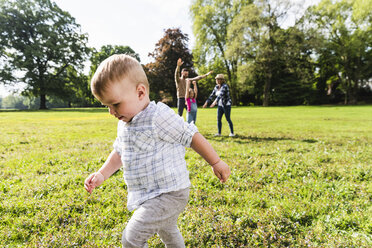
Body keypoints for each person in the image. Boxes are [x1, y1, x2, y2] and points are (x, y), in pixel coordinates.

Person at [84, 54, 231, 248]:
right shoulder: (124, 123)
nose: (111, 112)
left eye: (115, 104)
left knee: (131, 238)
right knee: (168, 230)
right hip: (150, 193)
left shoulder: (157, 116)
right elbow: (120, 152)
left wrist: (216, 162)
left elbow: (190, 135)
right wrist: (102, 174)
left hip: (170, 192)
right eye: (107, 106)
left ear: (140, 92)